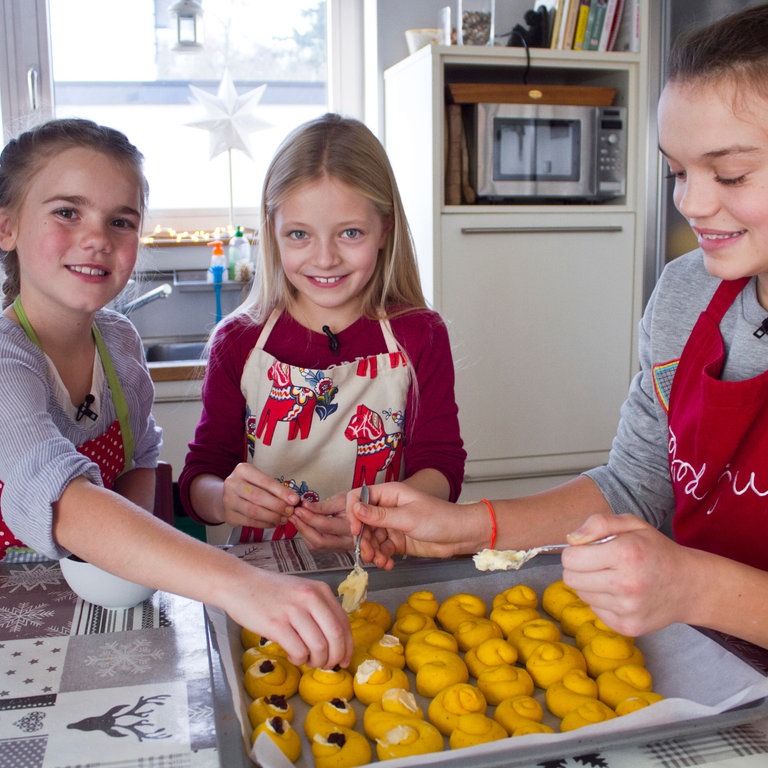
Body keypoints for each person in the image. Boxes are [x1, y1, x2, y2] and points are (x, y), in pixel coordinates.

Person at [347, 4, 768, 651]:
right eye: (677, 171)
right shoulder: (687, 295)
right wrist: (469, 526)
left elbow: (689, 579)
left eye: (730, 174)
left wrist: (694, 586)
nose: (691, 203)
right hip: (708, 663)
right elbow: (635, 486)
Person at [0, 118, 351, 669]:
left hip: (106, 610)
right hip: (17, 619)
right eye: (67, 212)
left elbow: (139, 469)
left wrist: (137, 562)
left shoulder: (117, 344)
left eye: (121, 220)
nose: (97, 238)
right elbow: (60, 500)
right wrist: (240, 585)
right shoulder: (6, 359)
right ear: (7, 227)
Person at [178, 113, 465, 550]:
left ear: (384, 229)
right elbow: (200, 477)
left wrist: (374, 511)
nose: (325, 258)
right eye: (299, 235)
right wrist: (222, 499)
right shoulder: (238, 342)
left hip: (384, 560)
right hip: (264, 575)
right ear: (272, 233)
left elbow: (442, 469)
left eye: (350, 233)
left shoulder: (419, 335)